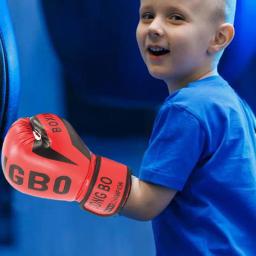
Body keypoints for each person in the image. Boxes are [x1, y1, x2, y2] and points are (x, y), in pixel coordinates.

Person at [2, 0, 256, 255]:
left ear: (219, 37)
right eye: (147, 16)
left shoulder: (185, 110)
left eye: (176, 18)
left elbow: (146, 203)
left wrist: (84, 175)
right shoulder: (236, 106)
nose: (154, 28)